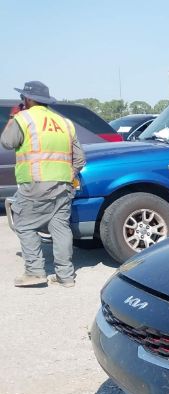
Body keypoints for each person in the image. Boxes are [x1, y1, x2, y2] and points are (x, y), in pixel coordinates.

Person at [1, 81, 86, 288]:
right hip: (64, 185)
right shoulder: (65, 122)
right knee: (60, 228)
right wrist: (67, 174)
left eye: (23, 98)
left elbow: (7, 142)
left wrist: (13, 117)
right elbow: (80, 159)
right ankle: (66, 276)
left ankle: (35, 272)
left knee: (24, 224)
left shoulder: (24, 118)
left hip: (35, 184)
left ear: (28, 99)